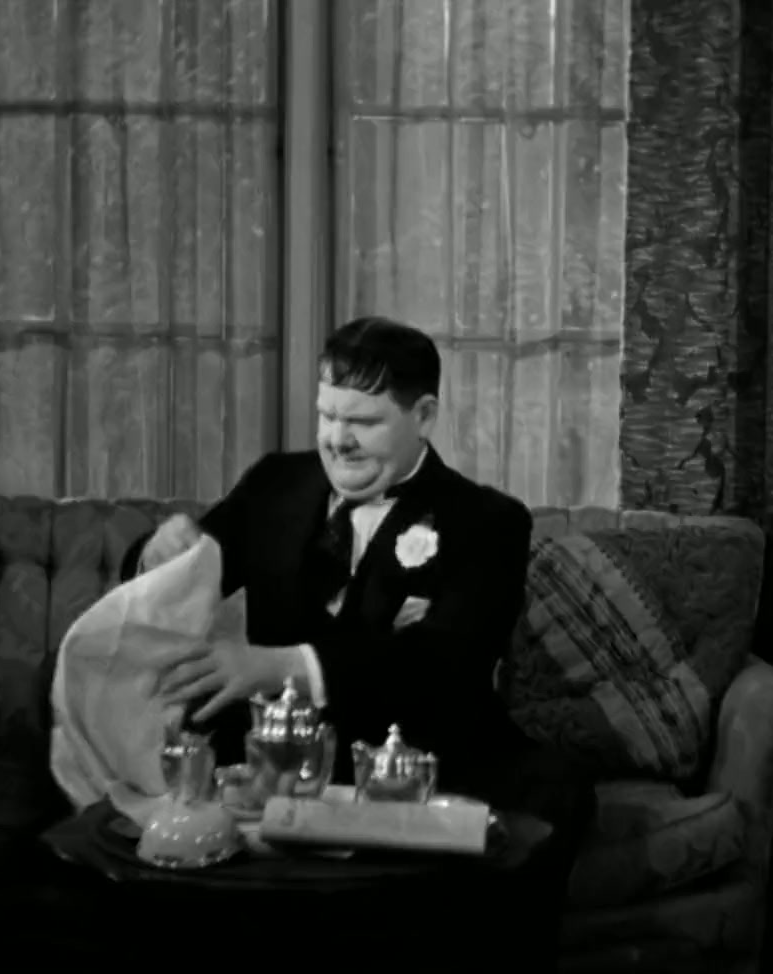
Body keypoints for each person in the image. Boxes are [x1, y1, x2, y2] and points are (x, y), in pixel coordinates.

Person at [123, 316, 593, 970]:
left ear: (423, 416)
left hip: (421, 750)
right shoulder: (275, 484)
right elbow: (185, 580)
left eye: (363, 422)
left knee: (556, 791)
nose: (336, 440)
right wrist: (156, 559)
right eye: (326, 415)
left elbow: (447, 663)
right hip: (279, 752)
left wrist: (281, 666)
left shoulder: (488, 521)